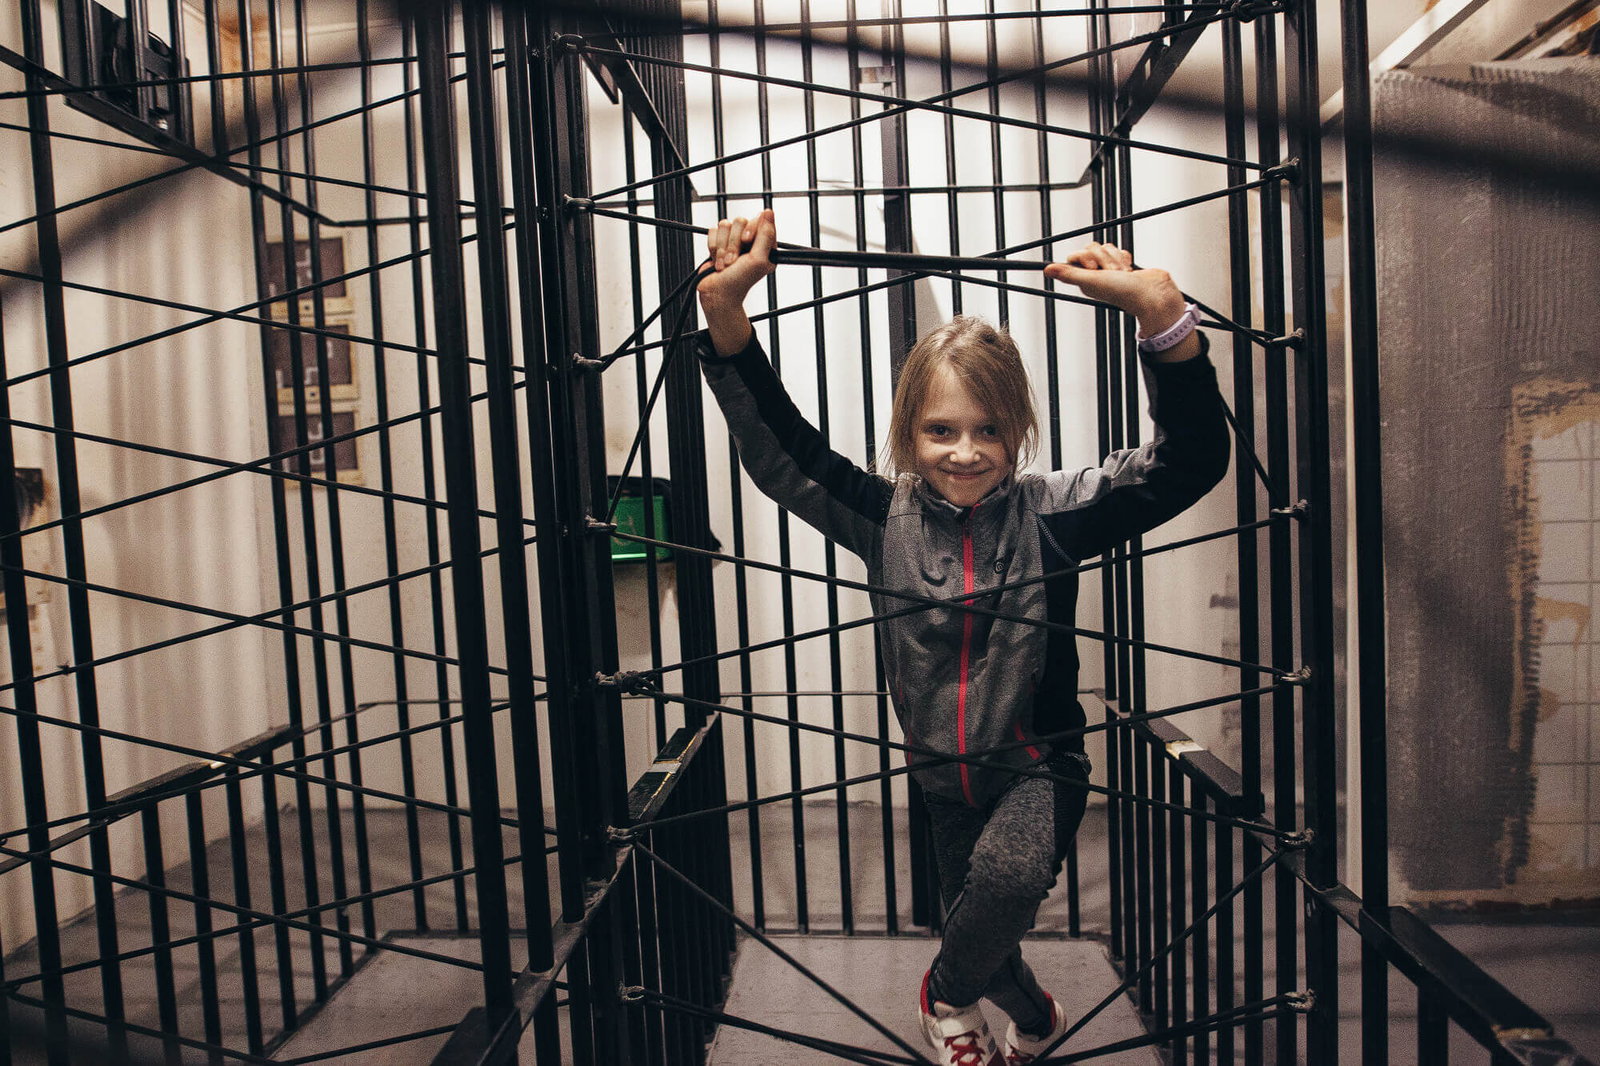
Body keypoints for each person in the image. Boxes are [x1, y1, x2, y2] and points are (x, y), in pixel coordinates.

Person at [695, 208, 1228, 1066]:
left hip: (1039, 765)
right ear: (908, 434)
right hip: (942, 776)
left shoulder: (1054, 513)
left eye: (989, 430)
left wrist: (1162, 318)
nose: (966, 452)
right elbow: (784, 454)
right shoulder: (883, 518)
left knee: (1007, 883)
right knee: (983, 930)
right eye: (941, 431)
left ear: (1019, 431)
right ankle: (1033, 1020)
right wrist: (726, 315)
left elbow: (1188, 462)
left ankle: (944, 1003)